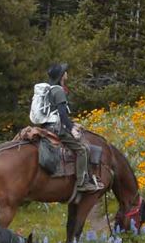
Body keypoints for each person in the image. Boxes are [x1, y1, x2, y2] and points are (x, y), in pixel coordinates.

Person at [40, 63, 101, 192]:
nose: (66, 73)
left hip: (47, 126)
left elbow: (55, 112)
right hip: (56, 128)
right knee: (82, 149)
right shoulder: (59, 91)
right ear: (62, 76)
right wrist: (71, 129)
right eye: (64, 72)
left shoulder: (50, 89)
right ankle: (81, 182)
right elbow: (62, 114)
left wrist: (72, 123)